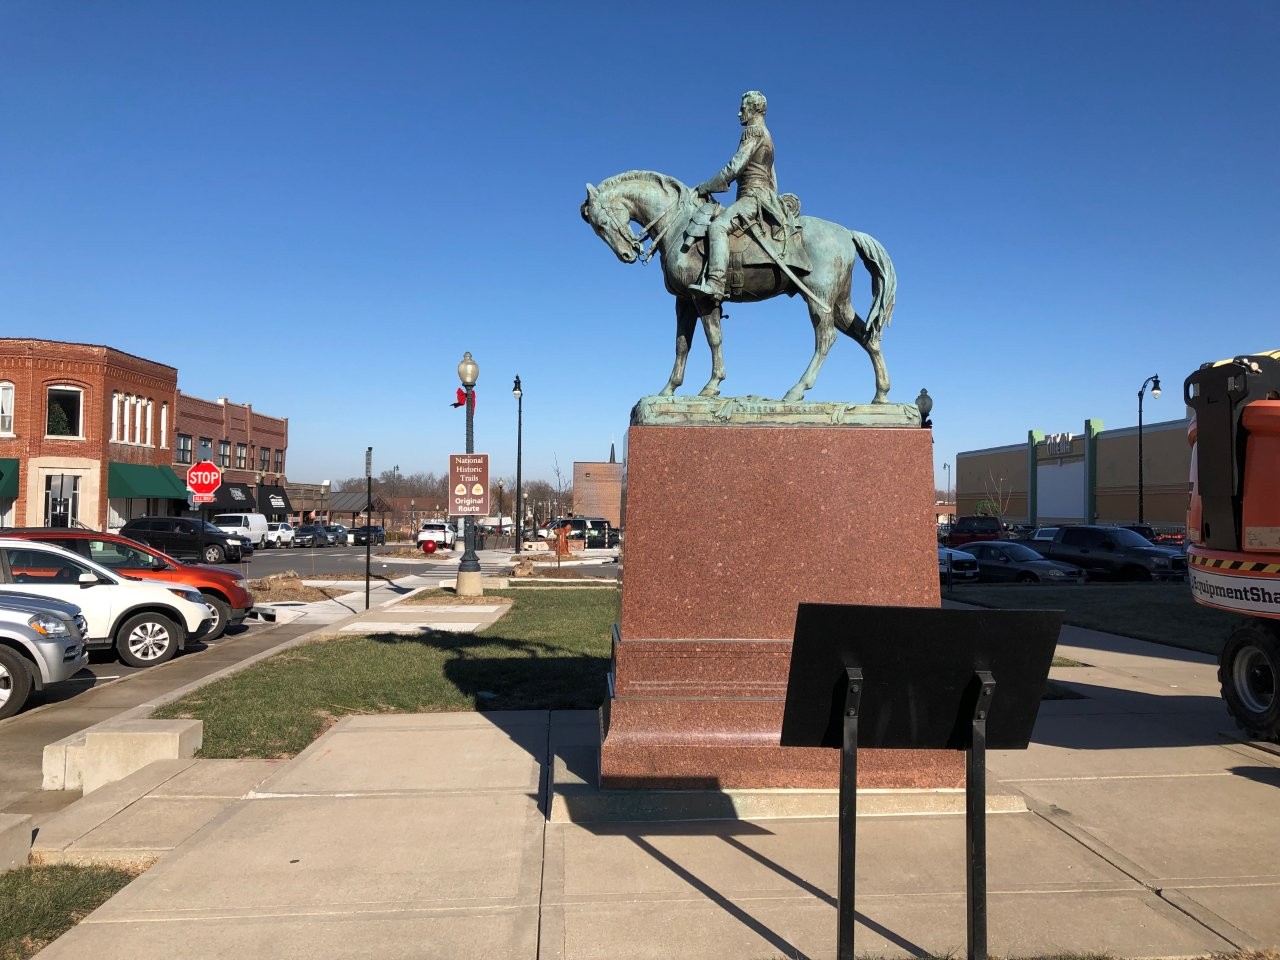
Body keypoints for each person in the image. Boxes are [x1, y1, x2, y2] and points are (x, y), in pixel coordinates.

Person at [690, 90, 780, 300]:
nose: (739, 114)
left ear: (755, 109)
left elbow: (735, 167)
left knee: (718, 226)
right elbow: (773, 177)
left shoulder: (754, 132)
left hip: (752, 197)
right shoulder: (768, 136)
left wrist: (707, 186)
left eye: (743, 109)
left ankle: (715, 282)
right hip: (764, 197)